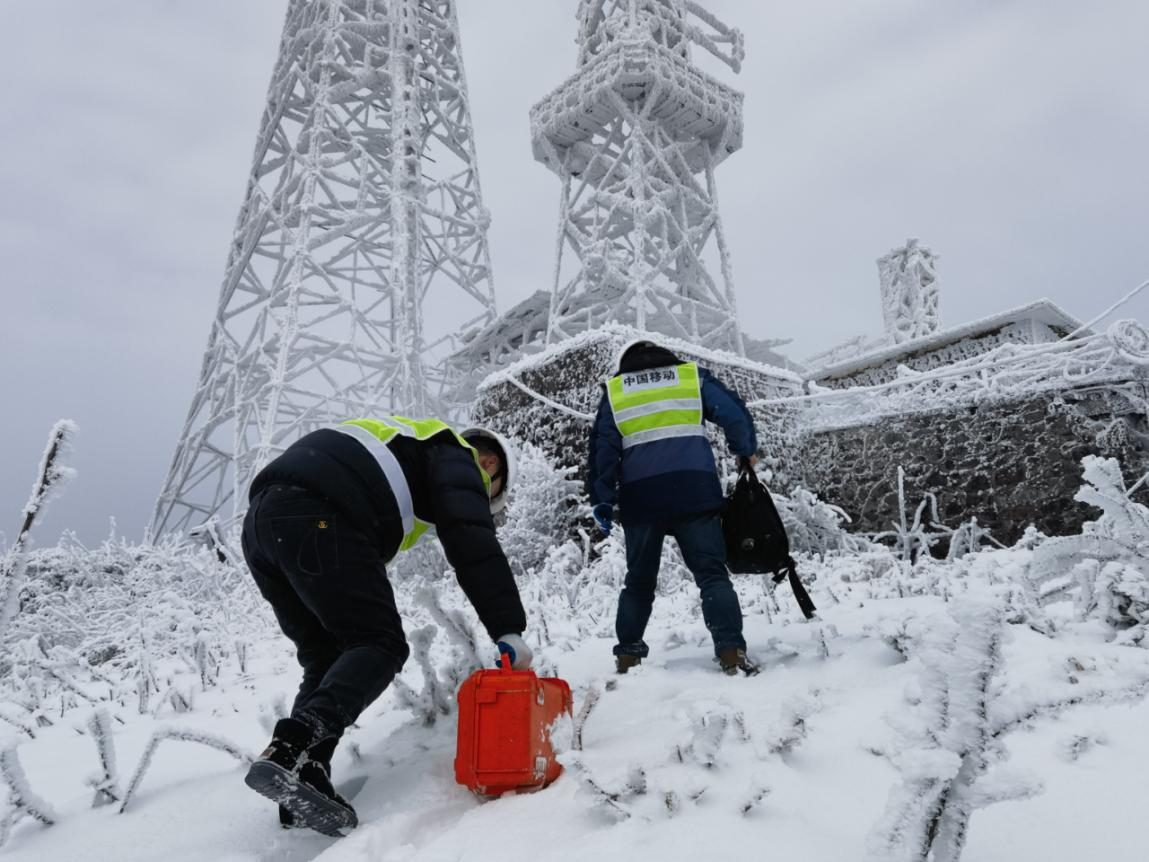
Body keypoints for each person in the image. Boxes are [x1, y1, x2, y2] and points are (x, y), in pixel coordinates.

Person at [240, 417, 531, 836]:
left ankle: (305, 770)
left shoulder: (415, 448)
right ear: (490, 465)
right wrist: (508, 629)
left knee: (327, 656)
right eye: (490, 495)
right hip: (318, 515)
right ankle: (293, 745)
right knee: (380, 642)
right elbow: (473, 544)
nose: (481, 502)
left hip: (262, 526)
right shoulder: (459, 457)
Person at [587, 340, 761, 677]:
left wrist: (602, 500)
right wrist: (744, 450)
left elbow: (602, 450)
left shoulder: (616, 391)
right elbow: (734, 413)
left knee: (638, 582)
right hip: (694, 490)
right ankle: (731, 653)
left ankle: (628, 659)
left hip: (642, 498)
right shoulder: (689, 377)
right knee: (712, 576)